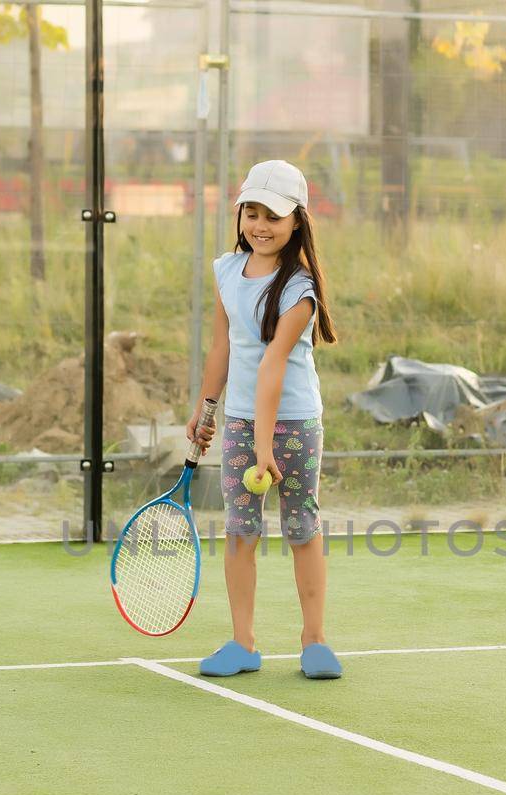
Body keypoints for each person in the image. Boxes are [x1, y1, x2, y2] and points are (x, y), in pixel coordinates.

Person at [187, 159, 342, 680]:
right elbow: (220, 349)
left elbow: (273, 365)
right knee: (240, 531)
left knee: (301, 528)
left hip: (293, 425)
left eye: (272, 216)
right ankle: (242, 644)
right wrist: (207, 410)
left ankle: (315, 641)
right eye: (250, 212)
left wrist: (265, 444)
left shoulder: (300, 289)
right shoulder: (226, 272)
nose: (259, 225)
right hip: (238, 425)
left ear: (296, 221)